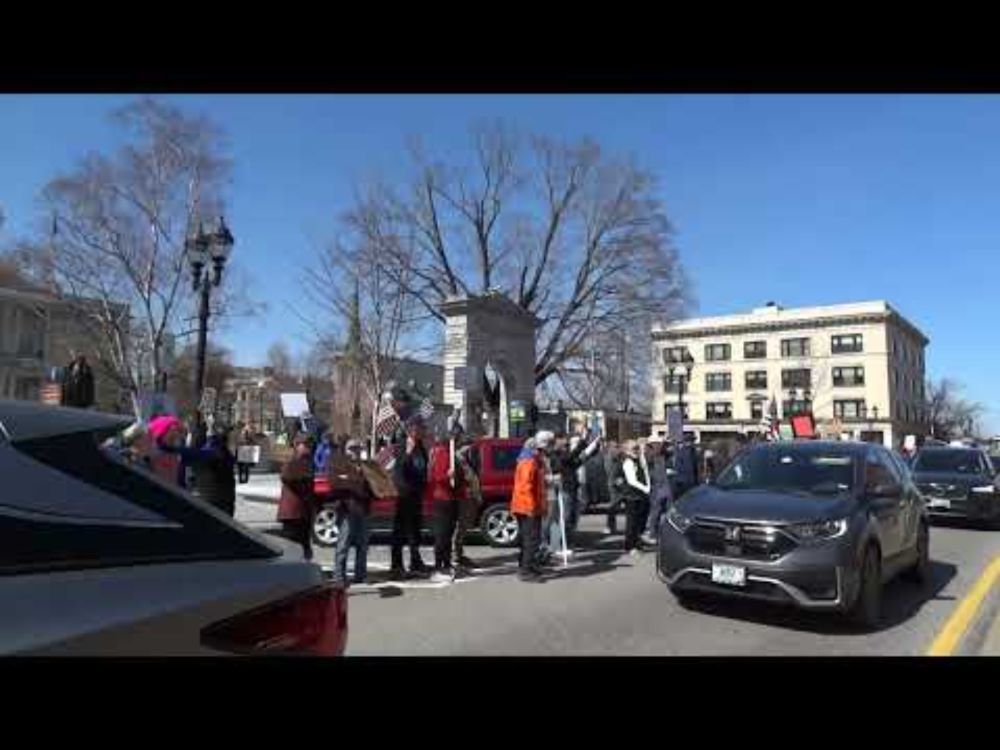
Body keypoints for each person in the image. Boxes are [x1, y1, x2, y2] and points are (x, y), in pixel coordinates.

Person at [510, 430, 555, 583]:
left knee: (529, 538)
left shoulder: (533, 459)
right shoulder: (529, 460)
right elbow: (525, 487)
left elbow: (536, 483)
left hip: (529, 505)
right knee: (531, 539)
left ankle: (527, 565)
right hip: (527, 506)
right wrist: (531, 508)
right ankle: (525, 570)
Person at [389, 416, 430, 579]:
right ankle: (396, 565)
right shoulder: (401, 445)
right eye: (421, 428)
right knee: (400, 532)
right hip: (404, 494)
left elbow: (423, 467)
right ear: (412, 429)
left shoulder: (420, 446)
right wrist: (407, 452)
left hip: (416, 494)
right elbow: (400, 469)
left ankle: (415, 561)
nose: (424, 431)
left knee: (415, 531)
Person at [427, 422, 468, 581]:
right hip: (441, 499)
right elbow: (437, 478)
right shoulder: (441, 452)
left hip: (452, 498)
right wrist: (448, 475)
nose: (459, 439)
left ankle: (446, 563)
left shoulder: (452, 453)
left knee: (449, 533)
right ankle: (438, 567)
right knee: (442, 534)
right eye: (457, 435)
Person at [330, 439, 373, 586]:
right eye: (351, 449)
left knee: (363, 545)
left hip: (363, 508)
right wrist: (355, 481)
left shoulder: (366, 466)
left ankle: (361, 574)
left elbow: (373, 486)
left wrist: (351, 481)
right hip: (347, 509)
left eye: (357, 449)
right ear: (345, 450)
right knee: (343, 544)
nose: (355, 451)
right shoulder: (339, 464)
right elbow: (335, 483)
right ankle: (339, 576)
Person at [277, 433, 316, 561]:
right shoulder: (292, 460)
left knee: (304, 546)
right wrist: (303, 480)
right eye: (305, 445)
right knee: (291, 547)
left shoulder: (308, 461)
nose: (308, 447)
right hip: (292, 513)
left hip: (304, 512)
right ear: (297, 446)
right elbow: (286, 477)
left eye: (310, 445)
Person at [189, 427, 238, 516]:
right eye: (233, 439)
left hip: (211, 497)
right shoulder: (221, 453)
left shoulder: (205, 451)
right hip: (220, 498)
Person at [453, 440, 481, 573]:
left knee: (464, 526)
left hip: (470, 497)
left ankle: (459, 553)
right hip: (462, 498)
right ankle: (454, 555)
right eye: (467, 447)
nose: (470, 450)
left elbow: (473, 478)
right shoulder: (456, 460)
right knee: (459, 526)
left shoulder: (467, 461)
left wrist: (477, 495)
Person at [621, 439, 652, 555]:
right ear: (628, 450)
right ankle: (629, 546)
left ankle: (637, 543)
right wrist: (645, 488)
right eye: (635, 448)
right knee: (632, 522)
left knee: (640, 522)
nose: (637, 450)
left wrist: (648, 486)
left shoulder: (638, 460)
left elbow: (645, 471)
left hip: (641, 495)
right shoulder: (628, 462)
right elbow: (632, 481)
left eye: (637, 448)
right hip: (632, 496)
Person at [642, 439, 675, 545]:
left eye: (660, 445)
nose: (660, 446)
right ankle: (652, 533)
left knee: (669, 511)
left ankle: (667, 533)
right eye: (657, 444)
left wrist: (667, 444)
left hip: (665, 485)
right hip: (656, 486)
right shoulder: (650, 455)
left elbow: (670, 451)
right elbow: (647, 460)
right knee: (656, 511)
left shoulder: (663, 456)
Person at [148, 415, 185, 487]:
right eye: (173, 430)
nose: (176, 434)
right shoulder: (154, 456)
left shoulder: (177, 455)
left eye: (179, 431)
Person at [605, 441, 626, 535]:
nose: (617, 448)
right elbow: (611, 472)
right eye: (615, 447)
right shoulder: (610, 457)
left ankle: (611, 526)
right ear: (610, 448)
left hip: (620, 484)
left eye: (617, 446)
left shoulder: (617, 457)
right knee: (613, 506)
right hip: (614, 485)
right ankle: (610, 526)